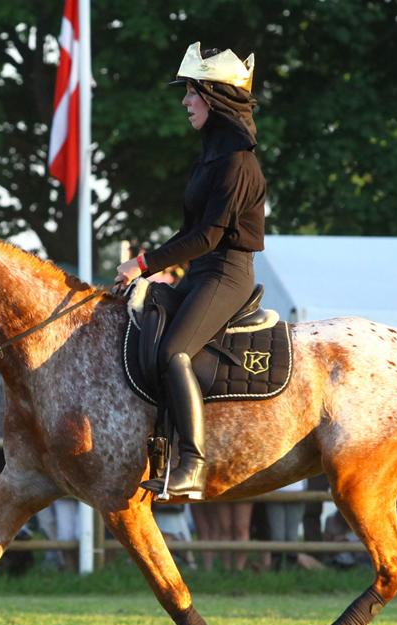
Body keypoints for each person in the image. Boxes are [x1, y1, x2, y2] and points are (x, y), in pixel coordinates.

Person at [113, 42, 265, 499]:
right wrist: (151, 271)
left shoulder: (237, 162)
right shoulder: (211, 158)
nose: (185, 102)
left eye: (192, 92)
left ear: (214, 97)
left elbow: (209, 236)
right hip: (201, 273)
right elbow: (189, 235)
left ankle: (192, 464)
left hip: (227, 273)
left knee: (174, 352)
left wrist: (143, 264)